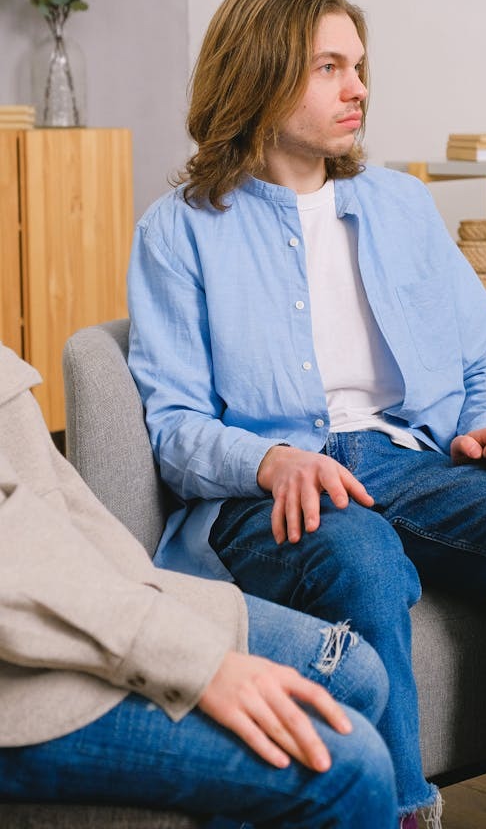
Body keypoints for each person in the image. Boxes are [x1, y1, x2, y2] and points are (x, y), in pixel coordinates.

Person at [127, 0, 486, 829]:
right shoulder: (180, 229)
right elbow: (173, 425)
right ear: (259, 73)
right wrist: (268, 459)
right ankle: (395, 815)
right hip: (275, 489)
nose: (358, 87)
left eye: (358, 65)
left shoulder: (398, 203)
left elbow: (483, 354)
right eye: (329, 67)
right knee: (362, 563)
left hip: (412, 463)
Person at [0, 343, 398, 828]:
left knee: (355, 675)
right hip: (20, 666)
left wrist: (144, 593)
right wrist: (192, 662)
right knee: (349, 767)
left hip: (81, 587)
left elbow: (52, 500)